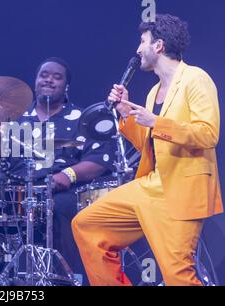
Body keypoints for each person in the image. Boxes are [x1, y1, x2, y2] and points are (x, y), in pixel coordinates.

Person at [72, 14, 223, 286]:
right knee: (87, 225)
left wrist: (156, 121)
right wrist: (126, 113)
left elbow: (208, 133)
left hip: (181, 190)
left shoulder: (195, 79)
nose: (138, 49)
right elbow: (150, 144)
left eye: (142, 42)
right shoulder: (155, 91)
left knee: (178, 275)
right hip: (151, 185)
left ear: (159, 46)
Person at [0, 57, 115, 281]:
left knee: (63, 206)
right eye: (44, 75)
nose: (49, 80)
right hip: (19, 195)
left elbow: (100, 160)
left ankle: (64, 278)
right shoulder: (16, 121)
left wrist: (69, 175)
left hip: (62, 193)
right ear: (35, 81)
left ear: (66, 86)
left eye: (56, 77)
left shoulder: (81, 119)